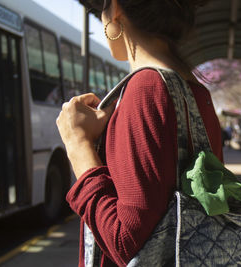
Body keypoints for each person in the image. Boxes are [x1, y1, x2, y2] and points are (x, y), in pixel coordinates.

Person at [56, 0, 223, 266]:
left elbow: (124, 242)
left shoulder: (146, 89)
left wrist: (78, 143)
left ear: (116, 9)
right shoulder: (198, 95)